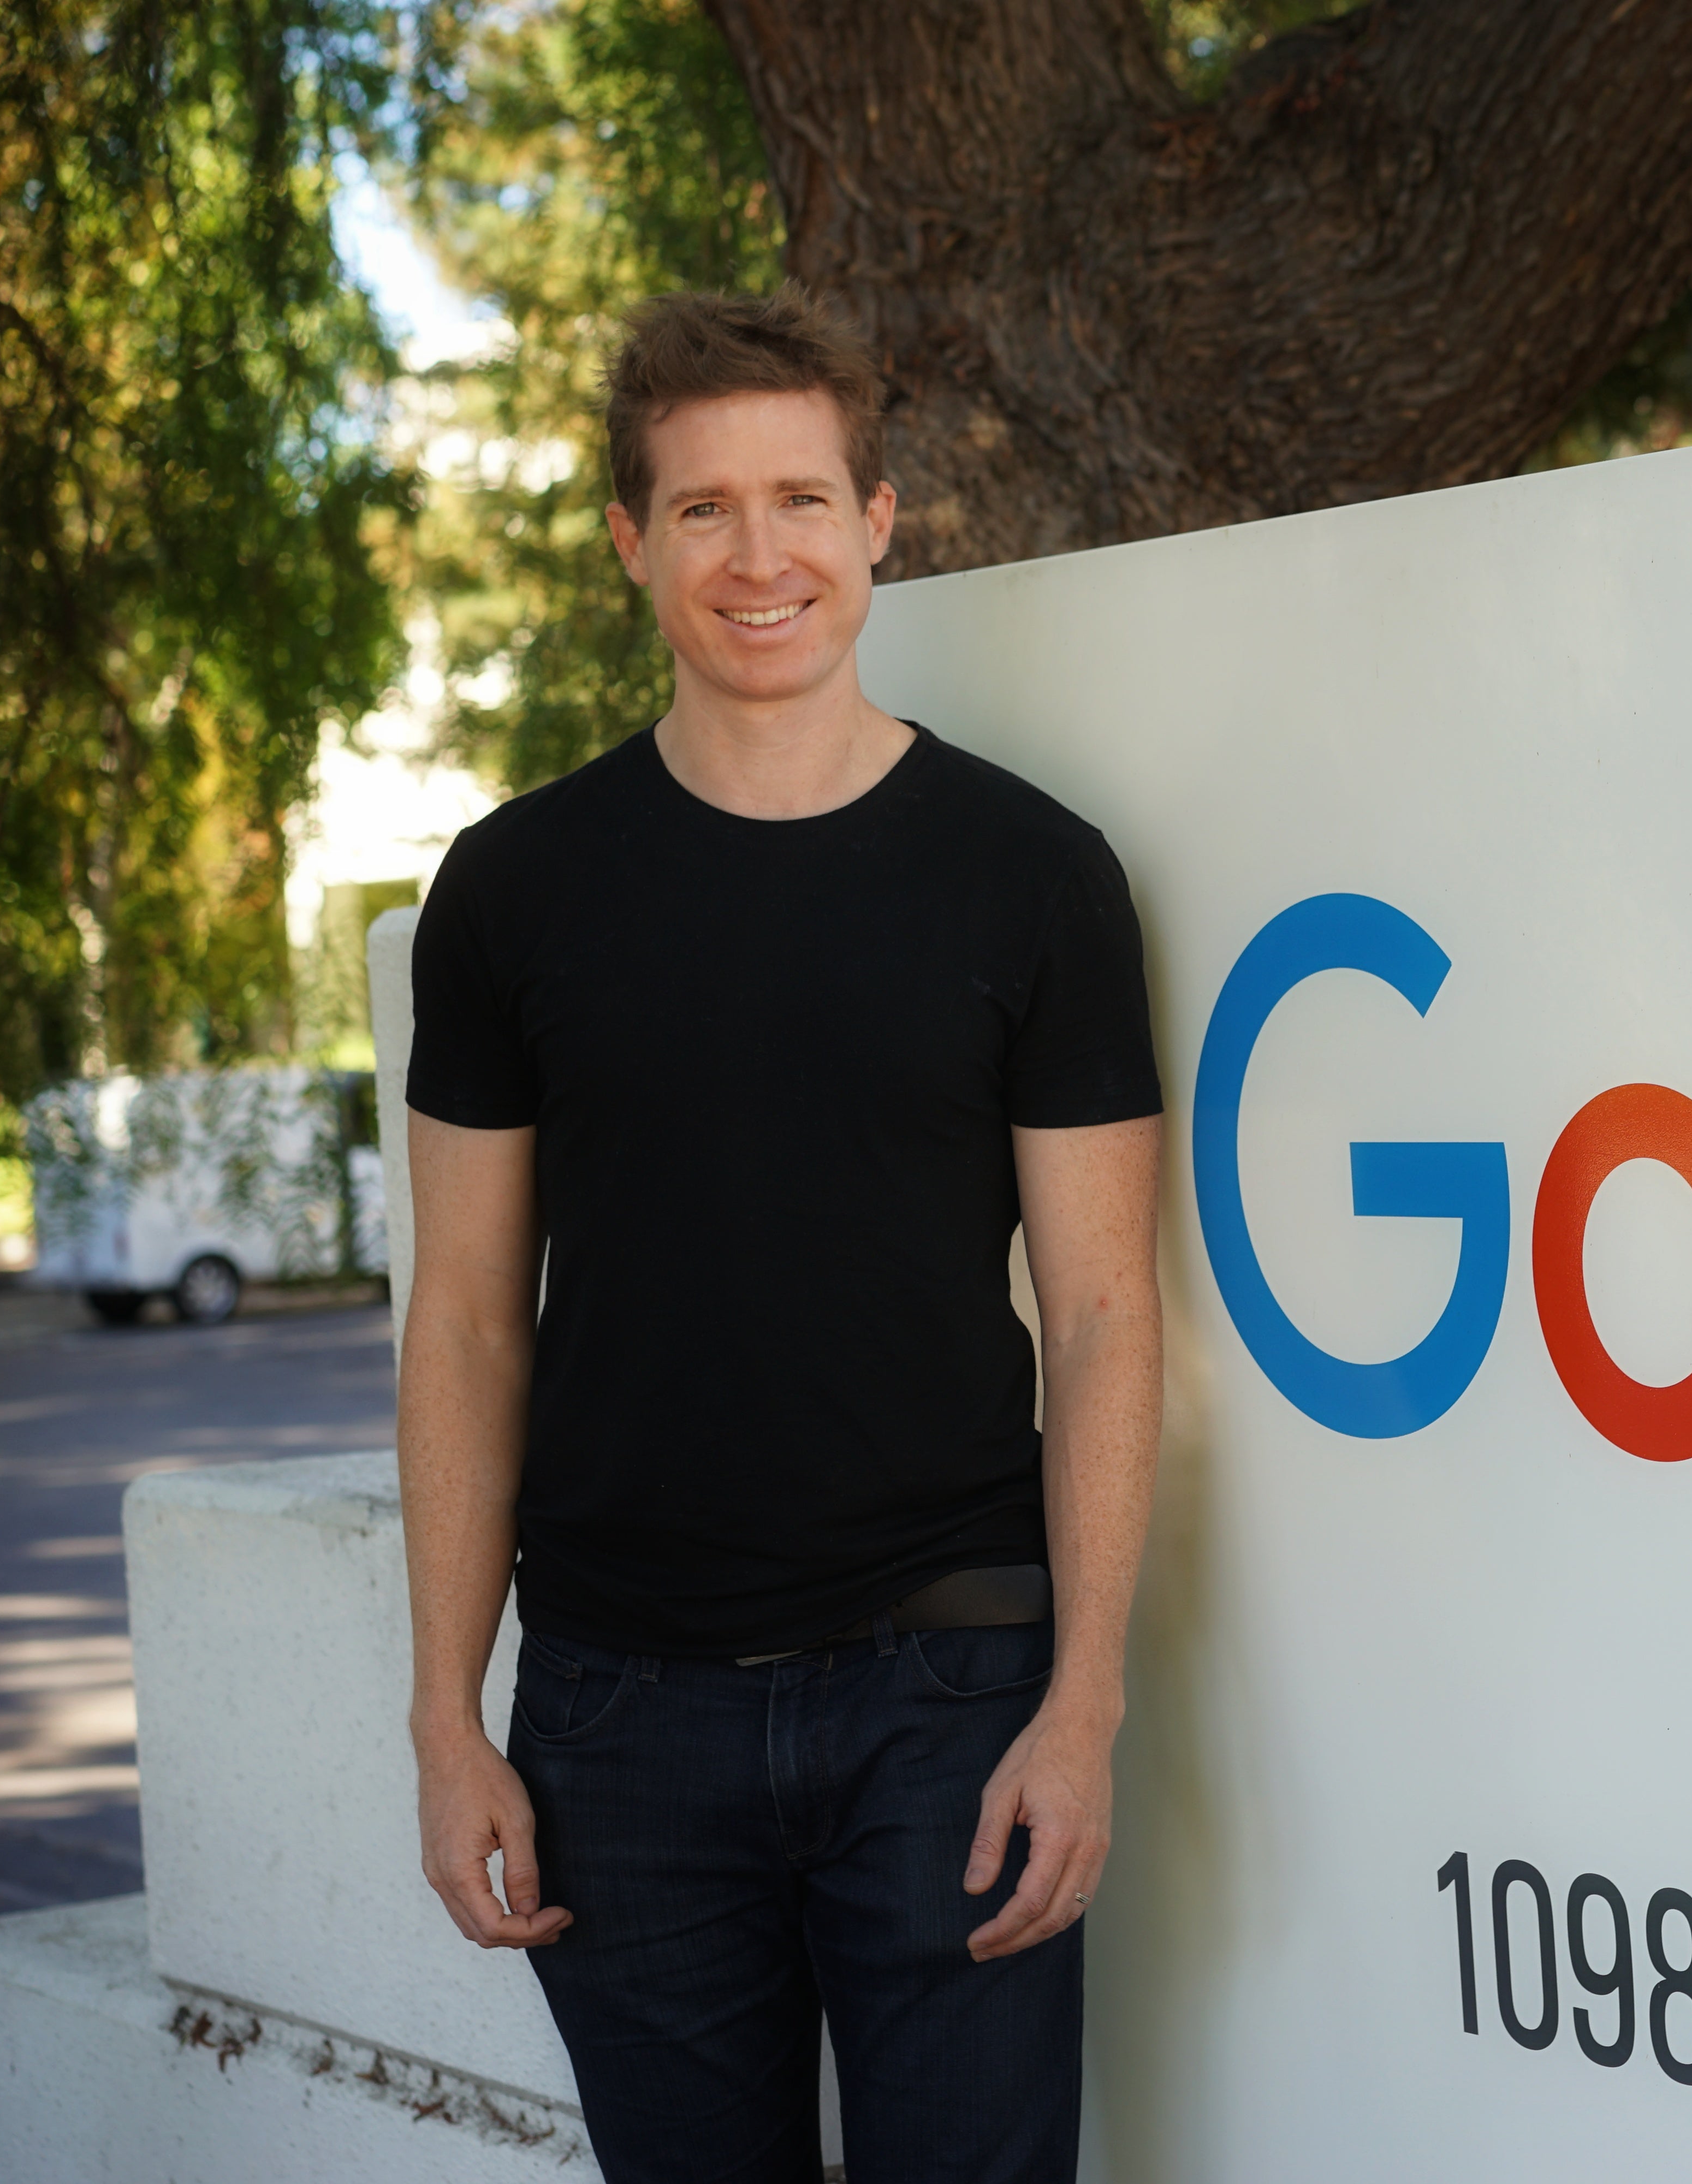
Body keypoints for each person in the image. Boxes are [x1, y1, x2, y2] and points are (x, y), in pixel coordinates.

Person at [394, 286, 1162, 2184]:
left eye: (804, 501)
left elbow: (1101, 1312)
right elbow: (472, 1324)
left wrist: (1087, 1706)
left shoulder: (1036, 875)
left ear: (880, 521)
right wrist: (445, 1716)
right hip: (616, 1722)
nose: (763, 557)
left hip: (954, 1700)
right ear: (630, 542)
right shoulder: (509, 895)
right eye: (709, 508)